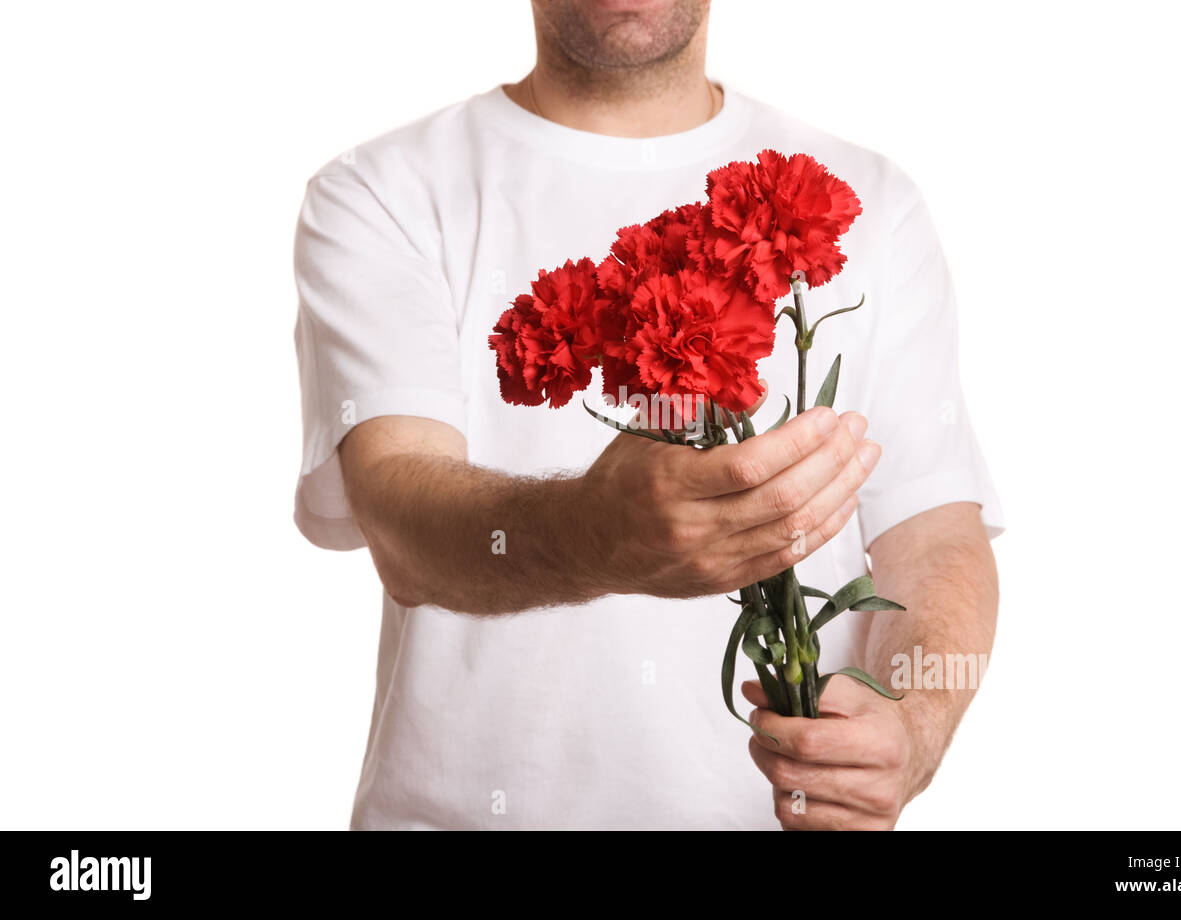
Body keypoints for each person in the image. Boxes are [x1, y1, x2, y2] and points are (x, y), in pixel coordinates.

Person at [292, 0, 1003, 830]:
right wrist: (596, 534)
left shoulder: (873, 201)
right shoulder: (382, 190)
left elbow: (934, 536)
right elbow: (399, 519)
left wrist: (909, 726)